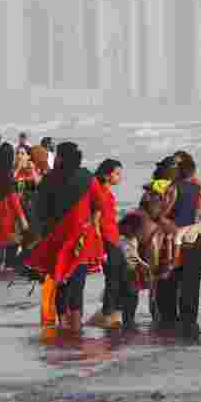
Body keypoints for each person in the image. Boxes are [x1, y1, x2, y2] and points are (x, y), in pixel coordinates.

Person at [22, 142, 106, 331]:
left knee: (61, 282)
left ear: (60, 157)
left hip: (57, 240)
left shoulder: (49, 180)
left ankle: (64, 324)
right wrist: (93, 226)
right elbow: (99, 205)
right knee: (77, 285)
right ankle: (75, 328)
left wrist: (39, 238)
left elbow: (39, 213)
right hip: (81, 240)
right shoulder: (88, 178)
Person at [151, 154, 201, 333]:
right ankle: (189, 324)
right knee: (191, 288)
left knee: (167, 284)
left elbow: (158, 214)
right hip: (192, 240)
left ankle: (167, 323)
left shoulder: (165, 189)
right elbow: (199, 214)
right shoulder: (195, 187)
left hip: (168, 241)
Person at [86, 159, 123, 329]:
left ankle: (110, 310)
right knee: (113, 278)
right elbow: (95, 222)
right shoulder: (100, 193)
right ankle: (108, 313)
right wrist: (100, 247)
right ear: (106, 175)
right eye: (116, 173)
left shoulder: (107, 192)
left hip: (114, 238)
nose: (120, 177)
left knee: (117, 276)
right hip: (107, 240)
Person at [0, 143, 28, 273]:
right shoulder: (8, 176)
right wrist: (22, 218)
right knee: (10, 250)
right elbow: (13, 199)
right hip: (6, 216)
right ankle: (4, 281)